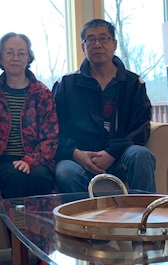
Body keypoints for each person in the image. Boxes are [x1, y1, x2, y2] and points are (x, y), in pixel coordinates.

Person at [52, 18, 156, 194]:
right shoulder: (66, 84)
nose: (97, 44)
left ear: (114, 44)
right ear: (83, 47)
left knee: (141, 155)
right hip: (79, 158)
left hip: (120, 155)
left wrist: (112, 152)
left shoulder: (133, 83)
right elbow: (54, 130)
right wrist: (76, 153)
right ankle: (85, 213)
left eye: (103, 38)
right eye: (91, 39)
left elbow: (140, 128)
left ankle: (145, 211)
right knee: (65, 171)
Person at [0, 32, 57, 200]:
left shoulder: (43, 93)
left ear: (28, 57)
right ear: (0, 57)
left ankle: (40, 219)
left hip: (37, 158)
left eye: (21, 53)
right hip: (0, 160)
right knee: (15, 177)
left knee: (40, 177)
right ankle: (17, 219)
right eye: (9, 53)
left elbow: (50, 138)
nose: (15, 58)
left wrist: (30, 160)